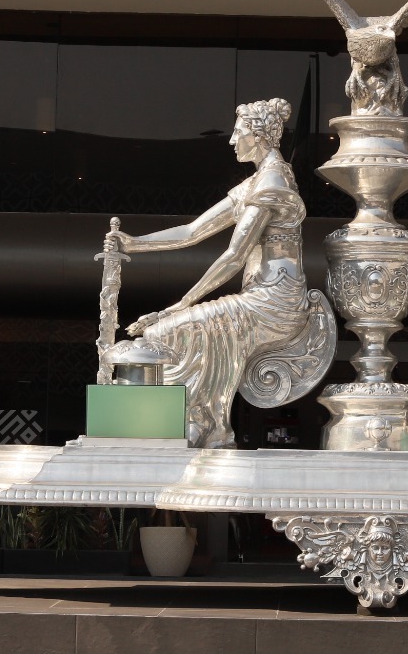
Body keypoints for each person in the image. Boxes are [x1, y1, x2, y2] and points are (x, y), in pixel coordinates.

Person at [112, 98, 316, 449]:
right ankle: (202, 422)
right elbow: (192, 232)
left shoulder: (271, 182)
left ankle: (203, 421)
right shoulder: (255, 182)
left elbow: (235, 256)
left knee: (171, 330)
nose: (232, 140)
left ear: (259, 135)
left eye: (238, 132)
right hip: (258, 296)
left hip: (275, 302)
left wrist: (181, 304)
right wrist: (134, 244)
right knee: (168, 331)